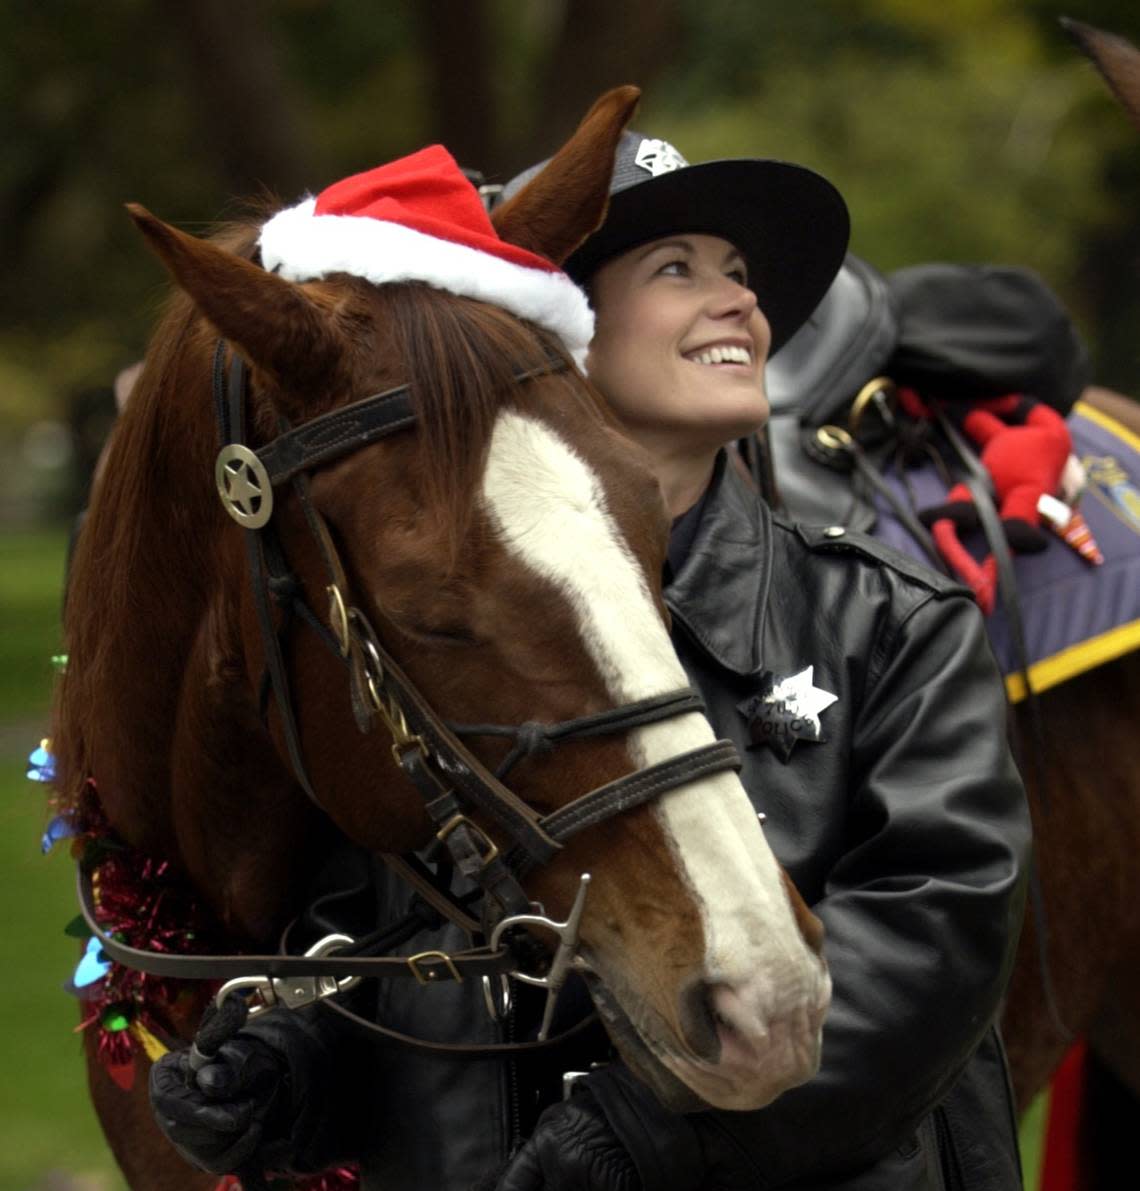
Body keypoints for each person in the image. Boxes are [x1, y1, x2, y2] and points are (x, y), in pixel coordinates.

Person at [150, 130, 1030, 1190]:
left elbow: (937, 943)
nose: (739, 303)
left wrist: (654, 1137)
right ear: (550, 329)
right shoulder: (423, 627)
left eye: (740, 276)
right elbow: (385, 927)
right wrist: (298, 1066)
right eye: (677, 270)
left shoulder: (892, 616)